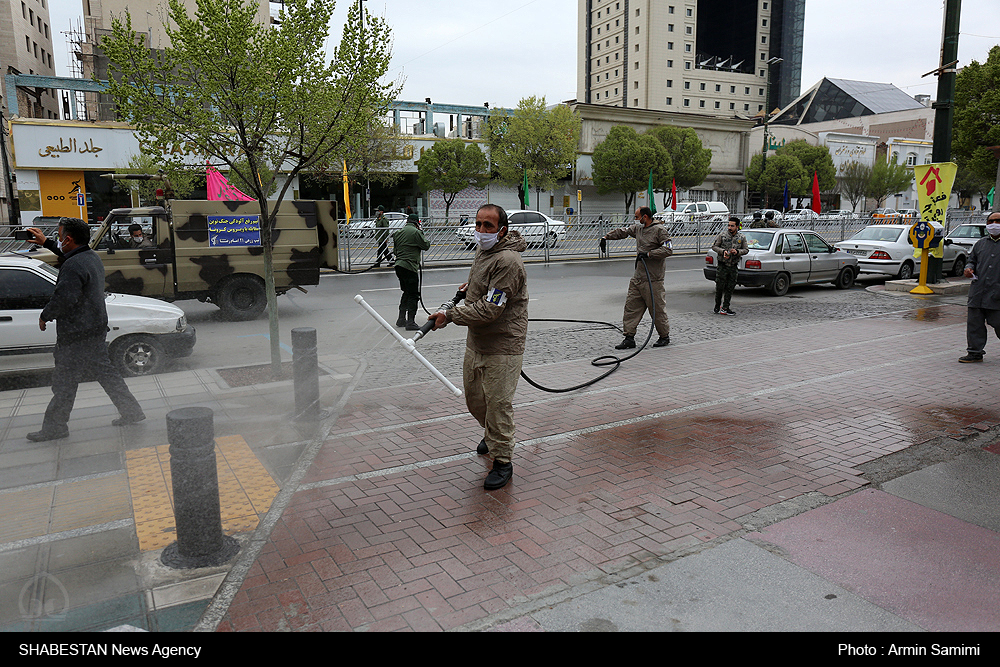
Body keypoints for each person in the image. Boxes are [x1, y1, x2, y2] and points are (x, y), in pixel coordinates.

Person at [428, 204, 528, 490]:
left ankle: (502, 461)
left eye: (488, 226)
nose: (481, 231)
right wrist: (468, 288)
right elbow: (482, 286)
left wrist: (450, 316)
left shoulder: (508, 261)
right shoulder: (485, 252)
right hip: (478, 341)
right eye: (478, 224)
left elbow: (491, 309)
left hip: (503, 343)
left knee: (498, 404)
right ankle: (492, 434)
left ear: (502, 231)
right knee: (475, 399)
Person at [26, 218, 145, 442]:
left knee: (64, 382)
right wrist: (47, 242)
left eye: (60, 237)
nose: (59, 241)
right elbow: (69, 255)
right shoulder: (90, 257)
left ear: (69, 239)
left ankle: (55, 427)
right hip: (94, 329)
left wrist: (45, 315)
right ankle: (132, 411)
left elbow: (65, 298)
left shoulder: (73, 265)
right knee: (108, 376)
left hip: (75, 336)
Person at [601, 206, 673, 349]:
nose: (635, 219)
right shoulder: (639, 229)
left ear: (645, 217)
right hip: (638, 278)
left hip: (653, 279)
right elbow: (624, 232)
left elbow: (668, 249)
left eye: (637, 216)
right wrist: (606, 237)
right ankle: (629, 338)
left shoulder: (660, 230)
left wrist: (649, 254)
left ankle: (664, 336)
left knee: (657, 310)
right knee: (631, 308)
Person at [960, 211, 1000, 363]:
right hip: (978, 291)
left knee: (998, 323)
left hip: (997, 293)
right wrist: (969, 268)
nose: (994, 225)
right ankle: (975, 352)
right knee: (974, 324)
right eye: (991, 221)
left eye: (998, 221)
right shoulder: (981, 243)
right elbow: (972, 260)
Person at [392, 213, 430, 330]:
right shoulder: (416, 232)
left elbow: (395, 251)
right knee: (413, 294)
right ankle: (410, 322)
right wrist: (421, 232)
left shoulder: (398, 233)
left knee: (406, 292)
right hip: (409, 267)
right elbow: (426, 245)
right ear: (416, 223)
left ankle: (401, 319)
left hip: (399, 265)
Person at [712, 216, 749, 316]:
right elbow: (714, 246)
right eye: (728, 225)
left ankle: (725, 307)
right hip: (722, 265)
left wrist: (737, 252)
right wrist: (722, 251)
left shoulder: (741, 237)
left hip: (733, 266)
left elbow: (746, 250)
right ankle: (717, 305)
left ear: (737, 226)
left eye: (732, 226)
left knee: (730, 287)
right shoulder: (722, 235)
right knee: (719, 287)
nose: (729, 228)